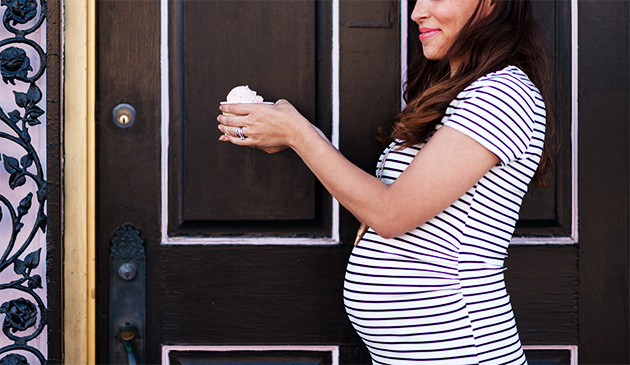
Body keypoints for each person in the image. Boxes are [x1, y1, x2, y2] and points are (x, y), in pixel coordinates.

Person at [217, 0, 552, 363]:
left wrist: (299, 135)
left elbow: (392, 213)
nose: (417, 12)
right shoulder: (461, 91)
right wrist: (295, 134)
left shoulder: (502, 94)